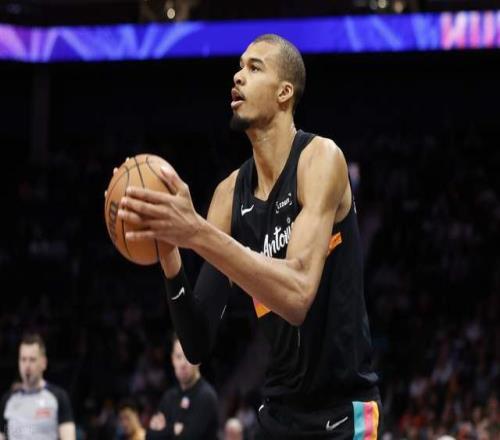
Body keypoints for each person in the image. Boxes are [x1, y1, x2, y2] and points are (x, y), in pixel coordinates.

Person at [118, 33, 381, 438]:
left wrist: (197, 232)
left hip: (342, 412)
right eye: (239, 67)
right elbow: (197, 343)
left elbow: (297, 296)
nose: (238, 76)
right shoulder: (228, 195)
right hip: (277, 413)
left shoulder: (320, 159)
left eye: (254, 68)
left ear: (284, 92)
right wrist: (167, 247)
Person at [0, 333, 76, 440]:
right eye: (23, 359)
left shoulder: (59, 397)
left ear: (44, 363)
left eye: (32, 360)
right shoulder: (7, 400)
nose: (27, 366)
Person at [147, 335, 218, 439]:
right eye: (178, 357)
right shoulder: (169, 397)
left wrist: (163, 431)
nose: (183, 364)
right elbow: (150, 436)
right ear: (173, 360)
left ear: (198, 359)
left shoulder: (206, 396)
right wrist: (174, 429)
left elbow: (188, 437)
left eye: (187, 356)